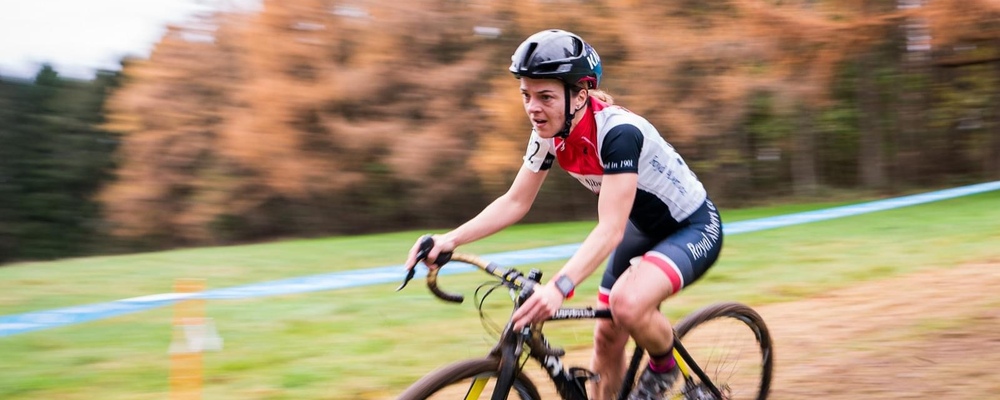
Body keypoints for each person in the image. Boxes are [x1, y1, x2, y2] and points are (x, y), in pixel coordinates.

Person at [404, 29, 723, 400]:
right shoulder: (549, 132)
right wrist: (450, 239)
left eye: (545, 96)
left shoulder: (617, 133)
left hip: (692, 226)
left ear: (580, 95)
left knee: (627, 304)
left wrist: (559, 287)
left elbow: (610, 228)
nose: (532, 108)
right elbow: (515, 201)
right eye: (526, 95)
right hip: (640, 227)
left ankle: (664, 369)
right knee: (606, 337)